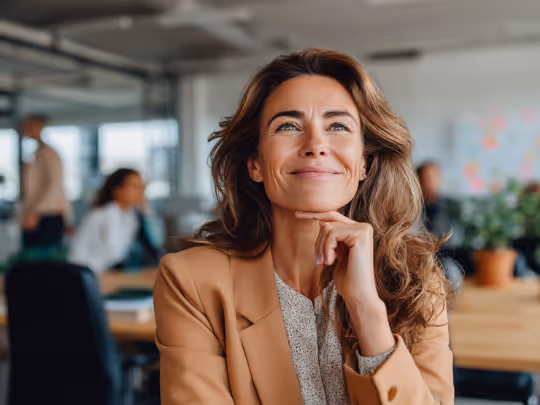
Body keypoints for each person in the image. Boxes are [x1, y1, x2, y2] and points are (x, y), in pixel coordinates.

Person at [154, 48, 454, 405]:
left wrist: (367, 310)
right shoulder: (191, 282)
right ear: (255, 164)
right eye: (288, 126)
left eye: (338, 126)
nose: (315, 145)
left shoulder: (417, 278)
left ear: (364, 165)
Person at [68, 168, 161, 273]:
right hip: (85, 272)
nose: (140, 191)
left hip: (103, 271)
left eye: (141, 186)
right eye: (134, 186)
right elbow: (114, 253)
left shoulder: (130, 216)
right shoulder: (108, 213)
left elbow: (157, 242)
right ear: (117, 189)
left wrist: (146, 210)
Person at [18, 114, 69, 249]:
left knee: (43, 260)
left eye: (29, 126)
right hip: (39, 214)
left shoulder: (48, 153)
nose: (25, 129)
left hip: (46, 215)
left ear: (39, 127)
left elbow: (54, 185)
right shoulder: (37, 152)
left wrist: (34, 212)